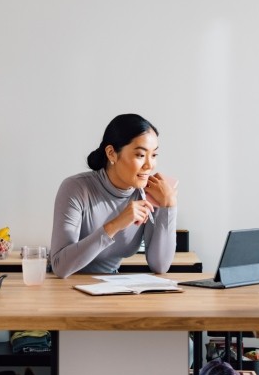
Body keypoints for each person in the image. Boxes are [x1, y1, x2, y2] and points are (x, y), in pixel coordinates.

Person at [50, 113, 178, 278]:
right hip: (67, 290)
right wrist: (115, 225)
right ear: (111, 153)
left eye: (153, 155)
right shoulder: (76, 188)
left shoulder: (146, 195)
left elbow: (160, 265)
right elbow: (60, 266)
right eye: (140, 155)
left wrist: (169, 206)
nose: (149, 165)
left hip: (111, 291)